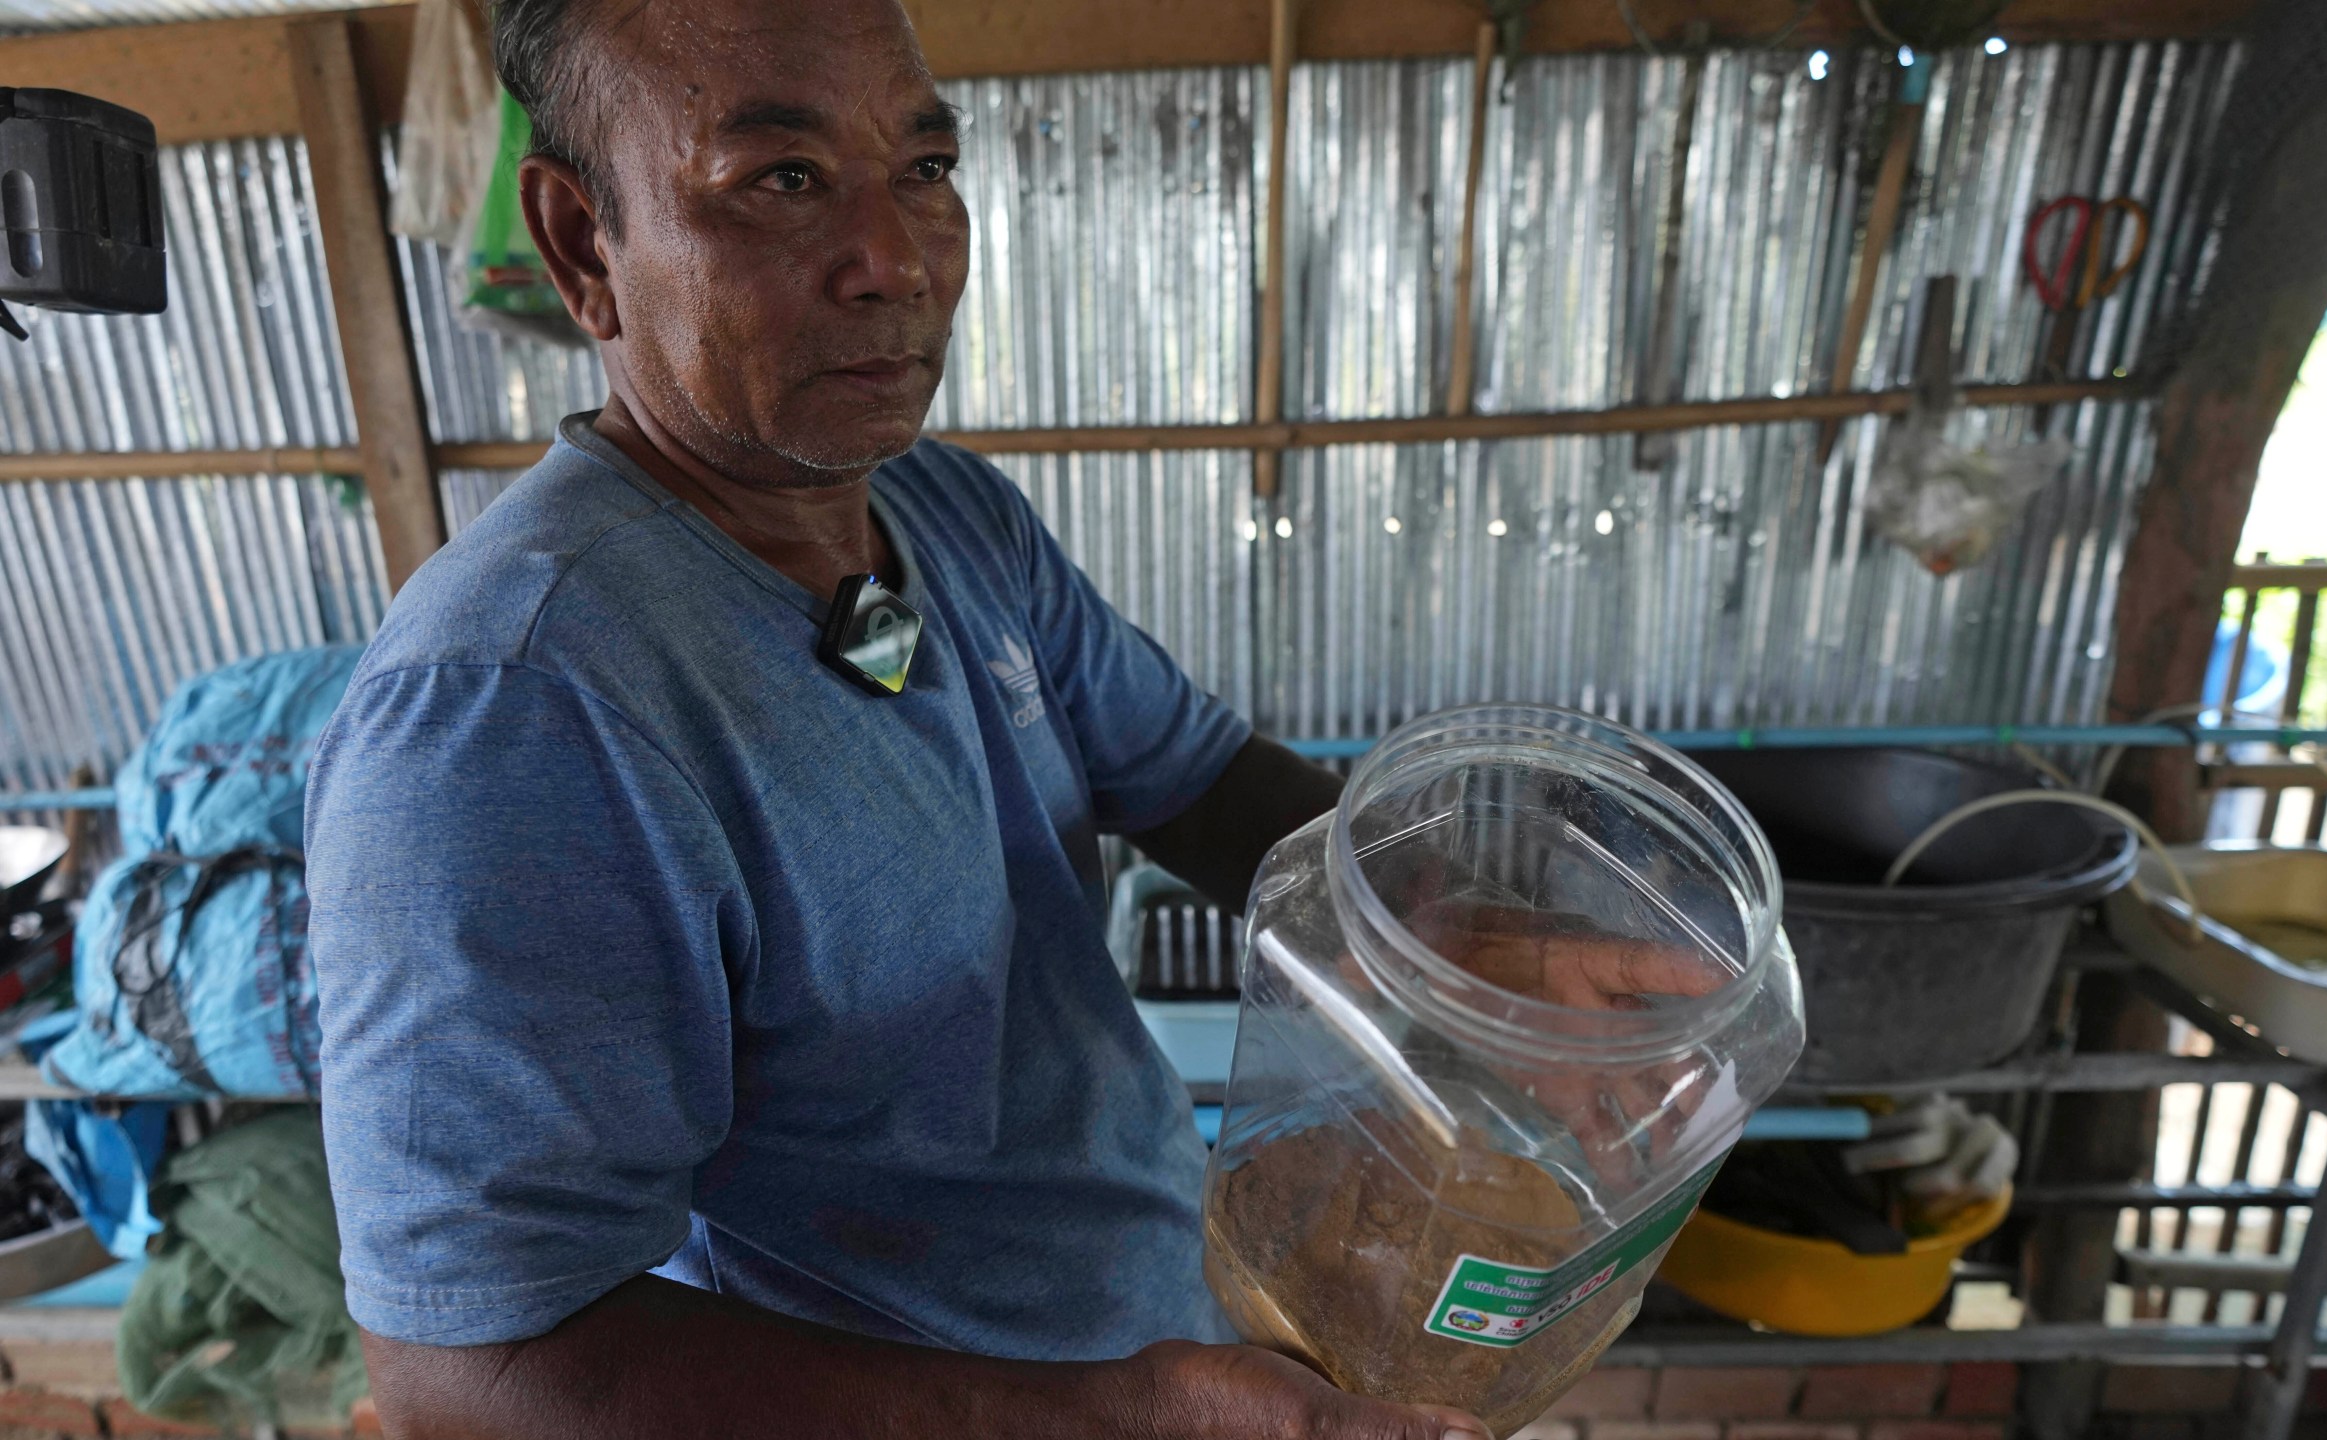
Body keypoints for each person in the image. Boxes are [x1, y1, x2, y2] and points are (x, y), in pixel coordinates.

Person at [307, 0, 1692, 1434]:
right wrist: (1117, 1413)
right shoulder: (512, 711)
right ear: (586, 244)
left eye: (922, 166)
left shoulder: (946, 516)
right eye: (780, 180)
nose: (897, 261)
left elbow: (1201, 782)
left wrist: (1448, 935)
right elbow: (473, 1377)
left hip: (1164, 1328)